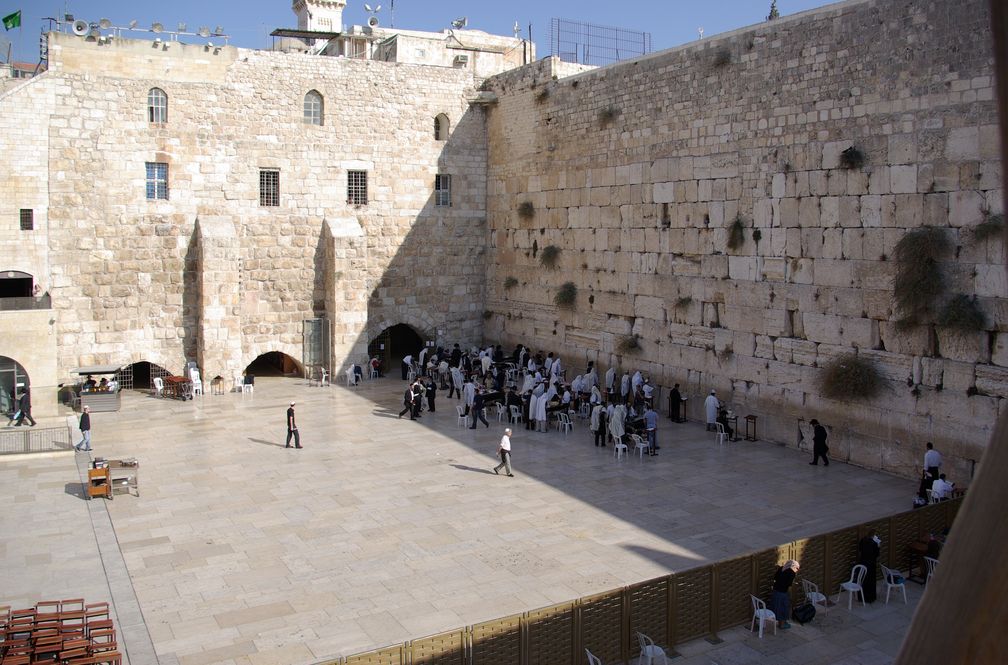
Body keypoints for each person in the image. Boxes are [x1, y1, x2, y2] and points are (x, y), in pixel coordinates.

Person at [770, 560, 799, 629]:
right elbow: (789, 586)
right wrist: (791, 596)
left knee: (777, 607)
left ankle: (781, 623)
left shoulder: (781, 568)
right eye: (797, 568)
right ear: (793, 566)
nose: (797, 570)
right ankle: (782, 624)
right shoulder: (791, 573)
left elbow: (775, 578)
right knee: (783, 608)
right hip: (782, 593)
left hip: (775, 591)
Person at [858, 531, 881, 603]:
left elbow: (860, 549)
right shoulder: (874, 544)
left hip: (863, 562)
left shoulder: (863, 540)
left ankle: (861, 597)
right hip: (871, 565)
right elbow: (877, 554)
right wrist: (878, 545)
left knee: (863, 580)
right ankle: (870, 598)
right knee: (870, 582)